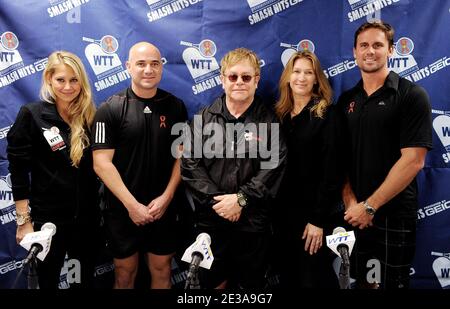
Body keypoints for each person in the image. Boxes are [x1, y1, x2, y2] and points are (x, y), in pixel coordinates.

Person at [180, 47, 287, 289]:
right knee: (211, 285)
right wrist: (220, 203)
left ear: (257, 81)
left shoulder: (269, 121)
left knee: (251, 286)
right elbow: (190, 165)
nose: (239, 82)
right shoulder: (203, 119)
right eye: (233, 76)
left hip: (253, 224)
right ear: (222, 79)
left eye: (246, 77)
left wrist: (240, 199)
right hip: (212, 221)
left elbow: (273, 169)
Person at [337, 20, 432, 289]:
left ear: (390, 50)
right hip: (354, 214)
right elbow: (340, 158)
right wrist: (351, 201)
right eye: (363, 45)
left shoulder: (411, 95)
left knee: (391, 285)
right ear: (354, 52)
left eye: (378, 45)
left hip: (393, 214)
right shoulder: (347, 101)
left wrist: (370, 206)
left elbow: (413, 160)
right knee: (365, 284)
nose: (370, 51)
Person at [91, 42, 187, 289]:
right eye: (141, 64)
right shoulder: (109, 108)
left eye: (154, 64)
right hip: (122, 210)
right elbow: (101, 164)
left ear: (161, 67)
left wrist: (166, 198)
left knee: (162, 270)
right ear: (128, 67)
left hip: (162, 208)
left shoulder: (175, 107)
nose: (148, 70)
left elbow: (182, 157)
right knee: (125, 274)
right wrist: (132, 205)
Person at [7, 51, 100, 289]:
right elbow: (18, 171)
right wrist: (23, 221)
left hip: (86, 221)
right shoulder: (33, 115)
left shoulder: (91, 117)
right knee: (47, 281)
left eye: (74, 80)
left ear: (82, 82)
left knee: (81, 281)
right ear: (49, 79)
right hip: (48, 222)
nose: (68, 87)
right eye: (61, 80)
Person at [274, 50, 344, 288]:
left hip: (313, 218)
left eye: (308, 72)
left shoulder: (327, 115)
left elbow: (332, 173)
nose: (301, 78)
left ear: (317, 79)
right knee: (289, 278)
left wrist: (318, 220)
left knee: (313, 280)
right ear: (287, 77)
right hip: (283, 218)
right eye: (296, 72)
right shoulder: (279, 115)